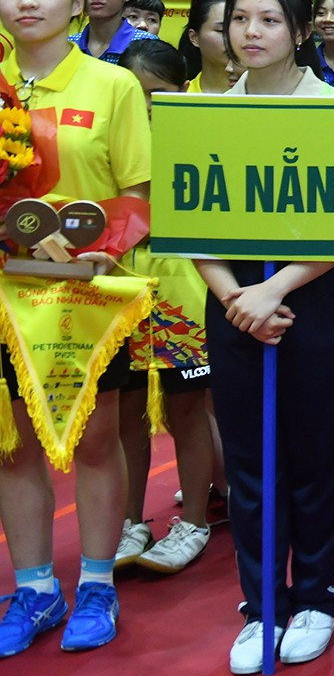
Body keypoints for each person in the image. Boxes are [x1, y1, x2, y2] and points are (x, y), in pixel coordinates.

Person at [194, 0, 334, 673]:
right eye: (239, 20)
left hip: (314, 301)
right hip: (231, 301)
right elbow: (187, 218)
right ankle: (262, 604)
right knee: (250, 463)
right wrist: (237, 296)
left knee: (314, 455)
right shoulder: (201, 113)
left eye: (267, 21)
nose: (250, 33)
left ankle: (316, 596)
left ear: (298, 32)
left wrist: (276, 291)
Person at [0, 0, 151, 658]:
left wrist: (106, 247)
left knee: (95, 437)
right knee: (11, 446)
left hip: (86, 294)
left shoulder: (111, 85)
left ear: (74, 0)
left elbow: (137, 192)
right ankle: (33, 588)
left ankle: (96, 581)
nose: (25, 3)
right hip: (7, 295)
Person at [114, 40, 225, 577]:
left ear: (181, 93)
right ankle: (130, 521)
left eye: (156, 95)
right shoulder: (114, 140)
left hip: (185, 291)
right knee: (125, 412)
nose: (144, 105)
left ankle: (196, 521)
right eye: (134, 95)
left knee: (187, 409)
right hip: (120, 291)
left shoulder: (199, 140)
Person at [177, 0, 235, 93]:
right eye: (221, 30)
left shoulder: (264, 93)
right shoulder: (183, 94)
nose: (232, 38)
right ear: (194, 37)